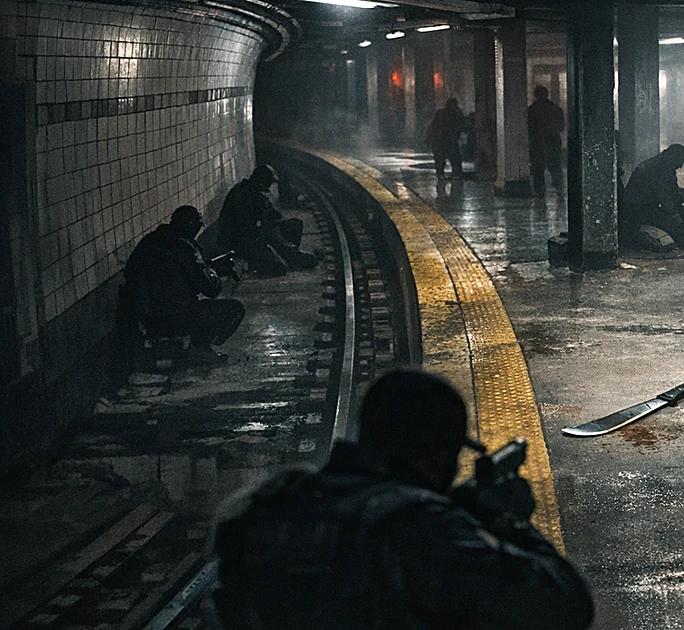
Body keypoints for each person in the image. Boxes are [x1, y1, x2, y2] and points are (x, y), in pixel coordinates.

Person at [212, 369, 595, 630]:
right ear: (436, 453)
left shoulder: (266, 501)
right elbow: (565, 607)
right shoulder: (416, 523)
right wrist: (504, 519)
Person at [122, 205, 245, 364]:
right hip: (172, 317)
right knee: (234, 309)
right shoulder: (183, 247)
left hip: (143, 317)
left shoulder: (150, 240)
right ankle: (199, 349)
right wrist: (216, 271)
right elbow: (211, 289)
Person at [217, 164, 318, 276]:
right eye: (268, 182)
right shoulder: (244, 194)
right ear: (262, 181)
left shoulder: (254, 192)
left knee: (294, 224)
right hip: (240, 241)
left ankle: (289, 255)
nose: (269, 186)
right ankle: (253, 263)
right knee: (279, 267)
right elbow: (248, 228)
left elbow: (273, 215)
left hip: (255, 234)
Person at [620, 144, 684, 250]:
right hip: (638, 209)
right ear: (674, 158)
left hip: (650, 205)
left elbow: (673, 193)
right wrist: (678, 222)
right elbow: (665, 200)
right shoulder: (656, 168)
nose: (680, 167)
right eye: (681, 162)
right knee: (671, 224)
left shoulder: (665, 166)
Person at [528, 85, 565, 198]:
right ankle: (559, 188)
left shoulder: (532, 110)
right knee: (555, 168)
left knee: (538, 169)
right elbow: (561, 126)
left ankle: (540, 192)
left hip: (537, 142)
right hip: (553, 142)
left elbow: (529, 127)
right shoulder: (556, 109)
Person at [427, 98, 467, 180]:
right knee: (452, 158)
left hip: (443, 139)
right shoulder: (455, 113)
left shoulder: (444, 113)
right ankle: (453, 174)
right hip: (448, 139)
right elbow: (462, 125)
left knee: (443, 158)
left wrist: (429, 138)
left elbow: (433, 127)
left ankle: (442, 174)